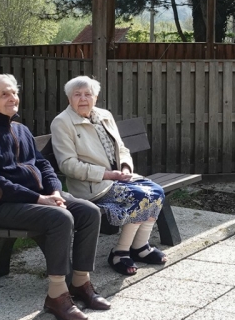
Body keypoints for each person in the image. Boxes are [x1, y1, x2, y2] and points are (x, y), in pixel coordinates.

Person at [0, 74, 110, 320]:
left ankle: (80, 283)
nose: (12, 98)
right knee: (60, 217)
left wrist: (53, 191)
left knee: (88, 211)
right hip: (6, 206)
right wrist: (39, 199)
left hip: (40, 198)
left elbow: (42, 164)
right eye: (4, 94)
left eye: (14, 93)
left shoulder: (21, 128)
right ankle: (56, 295)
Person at [50, 75, 167, 276]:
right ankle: (119, 252)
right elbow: (68, 165)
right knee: (140, 197)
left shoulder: (104, 115)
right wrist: (107, 175)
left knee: (156, 191)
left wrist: (125, 169)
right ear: (69, 98)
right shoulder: (62, 122)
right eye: (77, 94)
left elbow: (121, 148)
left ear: (96, 97)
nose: (83, 98)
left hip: (118, 178)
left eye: (88, 94)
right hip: (92, 185)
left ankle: (139, 247)